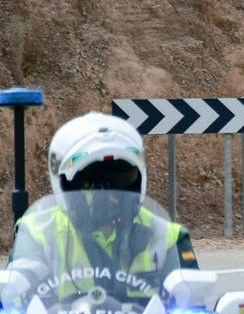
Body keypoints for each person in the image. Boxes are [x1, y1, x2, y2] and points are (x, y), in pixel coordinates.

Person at [12, 113, 199, 291]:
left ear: (139, 180)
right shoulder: (37, 233)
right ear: (64, 183)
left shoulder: (167, 236)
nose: (107, 192)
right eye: (91, 182)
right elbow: (12, 301)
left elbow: (192, 305)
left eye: (121, 179)